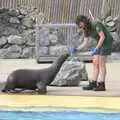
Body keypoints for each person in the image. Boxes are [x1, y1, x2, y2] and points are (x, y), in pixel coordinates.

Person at [69, 15, 113, 91]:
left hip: (106, 42)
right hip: (99, 43)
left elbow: (102, 37)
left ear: (83, 21)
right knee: (95, 62)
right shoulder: (86, 29)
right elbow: (85, 43)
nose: (80, 26)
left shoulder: (96, 24)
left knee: (101, 62)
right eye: (79, 25)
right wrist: (77, 49)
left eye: (80, 23)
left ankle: (102, 84)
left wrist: (96, 48)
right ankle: (93, 83)